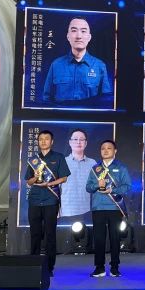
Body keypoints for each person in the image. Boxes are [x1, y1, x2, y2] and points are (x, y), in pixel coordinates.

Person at [24, 130, 70, 276]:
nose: (43, 141)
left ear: (52, 141)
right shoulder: (34, 159)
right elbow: (28, 181)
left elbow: (64, 178)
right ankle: (34, 265)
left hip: (51, 199)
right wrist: (35, 177)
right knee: (35, 233)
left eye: (46, 139)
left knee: (50, 234)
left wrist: (49, 184)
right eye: (41, 139)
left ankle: (49, 267)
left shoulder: (58, 157)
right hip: (34, 200)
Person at [40, 17, 113, 105]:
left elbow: (106, 100)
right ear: (68, 36)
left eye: (83, 31)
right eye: (74, 31)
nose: (79, 36)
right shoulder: (56, 65)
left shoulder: (100, 66)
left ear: (89, 37)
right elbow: (47, 99)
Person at [85, 140, 132, 278]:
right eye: (103, 148)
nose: (105, 151)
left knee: (115, 238)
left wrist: (113, 190)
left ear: (115, 151)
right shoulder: (95, 169)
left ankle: (115, 267)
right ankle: (99, 268)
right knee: (99, 239)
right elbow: (88, 187)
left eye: (109, 148)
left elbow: (127, 186)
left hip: (114, 207)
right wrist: (97, 185)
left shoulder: (121, 168)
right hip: (98, 207)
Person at [61, 129, 97, 219]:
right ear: (70, 142)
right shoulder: (62, 162)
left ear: (86, 143)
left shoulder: (93, 163)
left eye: (81, 139)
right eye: (75, 139)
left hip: (87, 211)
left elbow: (96, 187)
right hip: (66, 211)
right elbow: (55, 188)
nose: (78, 142)